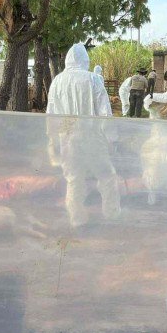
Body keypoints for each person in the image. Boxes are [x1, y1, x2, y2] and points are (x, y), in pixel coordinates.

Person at [46, 43, 121, 227]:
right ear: (85, 60)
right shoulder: (93, 79)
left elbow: (51, 114)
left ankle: (77, 220)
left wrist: (53, 140)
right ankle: (112, 214)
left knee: (74, 179)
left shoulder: (57, 81)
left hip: (67, 135)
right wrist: (111, 139)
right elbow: (105, 113)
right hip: (92, 135)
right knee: (106, 175)